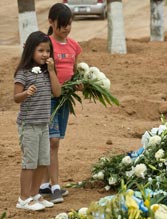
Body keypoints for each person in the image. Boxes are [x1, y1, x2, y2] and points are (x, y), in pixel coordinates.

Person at [39, 3, 83, 204]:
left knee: (54, 142)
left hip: (64, 100)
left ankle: (44, 185)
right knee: (53, 141)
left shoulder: (74, 45)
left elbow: (75, 72)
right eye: (62, 24)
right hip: (47, 98)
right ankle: (55, 187)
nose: (66, 28)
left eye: (69, 24)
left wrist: (81, 84)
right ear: (51, 22)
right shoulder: (44, 44)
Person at [14, 31, 61, 211]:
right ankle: (23, 198)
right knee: (30, 162)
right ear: (31, 51)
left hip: (43, 124)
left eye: (47, 51)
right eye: (40, 50)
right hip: (29, 124)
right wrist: (26, 93)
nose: (45, 54)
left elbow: (57, 93)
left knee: (43, 161)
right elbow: (16, 97)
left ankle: (34, 194)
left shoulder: (46, 73)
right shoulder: (23, 73)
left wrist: (51, 71)